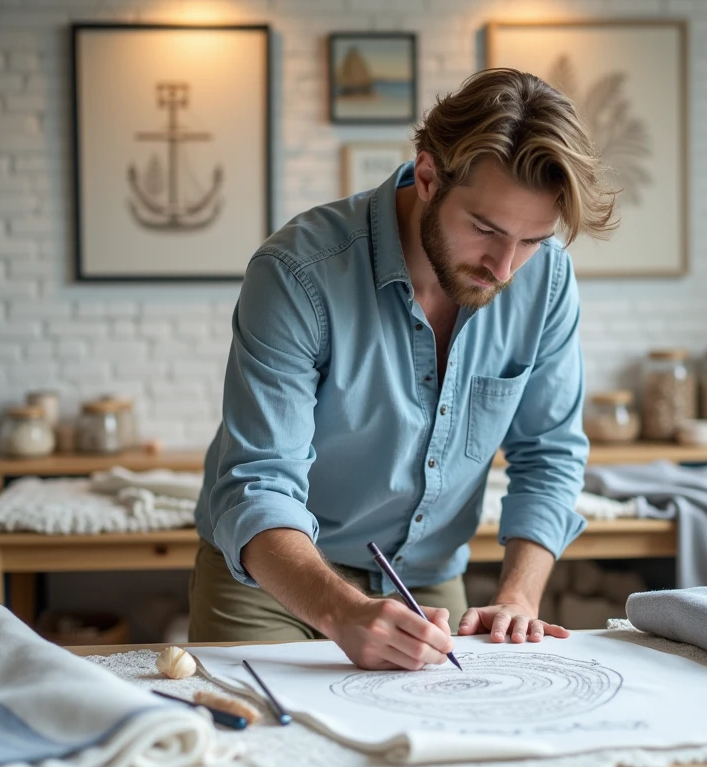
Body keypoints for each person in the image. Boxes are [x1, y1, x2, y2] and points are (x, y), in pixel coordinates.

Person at [190, 67, 617, 670]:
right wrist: (342, 611)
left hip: (425, 584)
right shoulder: (297, 274)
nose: (504, 268)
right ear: (426, 177)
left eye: (531, 240)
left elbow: (549, 453)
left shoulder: (544, 281)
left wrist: (518, 595)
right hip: (271, 581)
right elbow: (257, 483)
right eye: (485, 230)